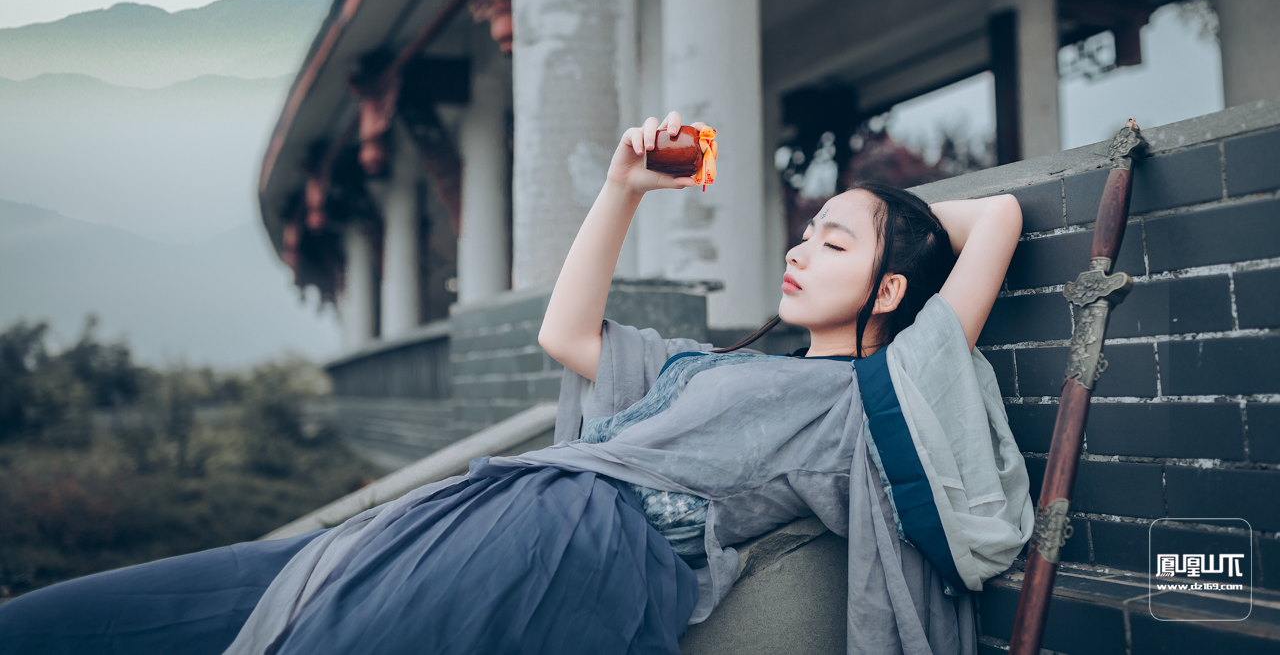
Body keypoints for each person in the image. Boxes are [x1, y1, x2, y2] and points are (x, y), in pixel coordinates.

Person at [0, 111, 1033, 655]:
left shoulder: (874, 397)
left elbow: (1000, 221)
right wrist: (622, 184)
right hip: (464, 515)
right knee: (66, 624)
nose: (801, 248)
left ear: (891, 285)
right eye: (804, 230)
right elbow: (565, 328)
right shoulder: (712, 368)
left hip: (566, 543)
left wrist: (893, 216)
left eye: (833, 239)